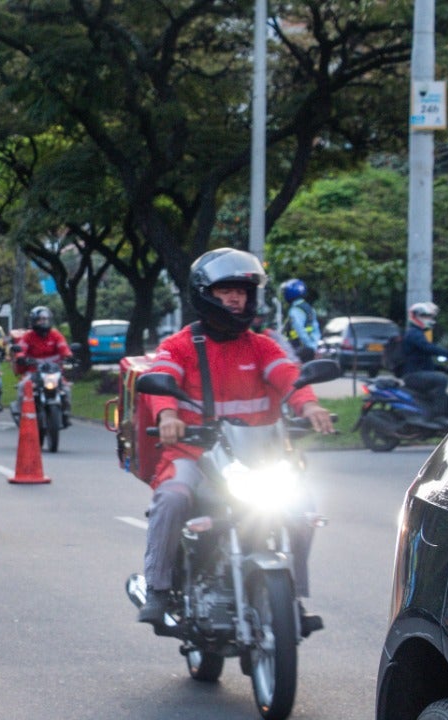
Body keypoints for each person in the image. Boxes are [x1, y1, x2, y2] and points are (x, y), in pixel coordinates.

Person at [135, 248, 334, 635]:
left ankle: (292, 598)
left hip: (257, 456)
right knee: (173, 497)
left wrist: (309, 407)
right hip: (194, 452)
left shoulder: (262, 346)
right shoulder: (179, 345)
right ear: (205, 294)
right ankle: (157, 589)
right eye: (226, 290)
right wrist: (168, 415)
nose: (236, 298)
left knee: (301, 507)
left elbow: (289, 378)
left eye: (242, 291)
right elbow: (161, 381)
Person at [13, 305, 73, 427]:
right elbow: (21, 349)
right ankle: (20, 414)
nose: (44, 322)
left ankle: (66, 414)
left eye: (46, 319)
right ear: (34, 321)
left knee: (66, 389)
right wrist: (20, 357)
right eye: (40, 319)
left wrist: (69, 357)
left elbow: (64, 349)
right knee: (22, 387)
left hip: (54, 372)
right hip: (33, 371)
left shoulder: (55, 335)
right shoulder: (28, 336)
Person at [401, 301, 448, 425]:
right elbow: (429, 348)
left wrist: (445, 368)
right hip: (413, 376)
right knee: (441, 379)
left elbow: (425, 361)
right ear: (415, 317)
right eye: (425, 316)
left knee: (446, 398)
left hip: (418, 373)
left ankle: (446, 425)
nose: (429, 319)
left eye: (430, 316)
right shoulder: (414, 334)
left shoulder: (418, 334)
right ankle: (438, 417)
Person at [280, 278, 322, 362]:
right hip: (308, 349)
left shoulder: (295, 311)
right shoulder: (309, 309)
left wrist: (310, 347)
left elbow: (300, 331)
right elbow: (316, 330)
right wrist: (314, 346)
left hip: (297, 349)